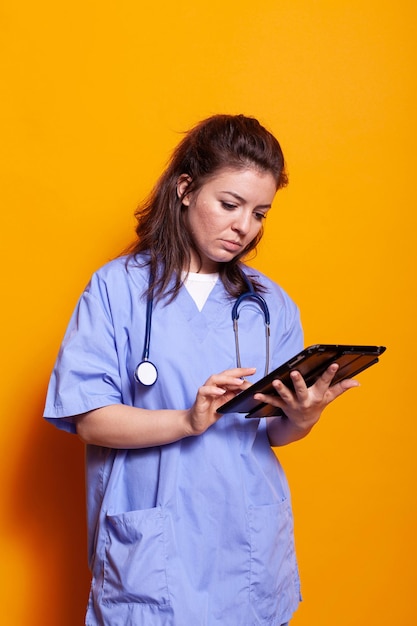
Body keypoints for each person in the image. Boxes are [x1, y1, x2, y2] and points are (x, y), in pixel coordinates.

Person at [43, 114, 358, 626]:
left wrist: (304, 415)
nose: (244, 227)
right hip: (153, 545)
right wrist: (187, 420)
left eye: (259, 213)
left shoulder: (271, 303)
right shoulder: (116, 289)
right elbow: (88, 418)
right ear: (186, 189)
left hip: (247, 546)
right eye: (230, 205)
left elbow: (274, 433)